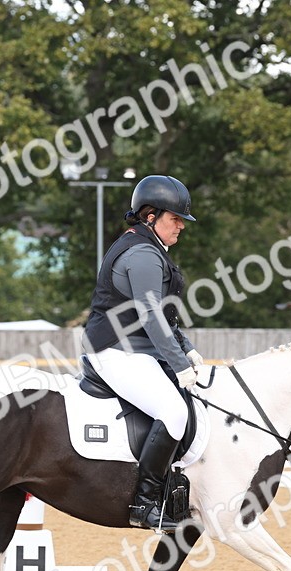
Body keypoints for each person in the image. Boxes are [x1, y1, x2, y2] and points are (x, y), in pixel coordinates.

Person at [81, 174, 204, 530]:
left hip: (136, 350)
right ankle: (145, 502)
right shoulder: (143, 255)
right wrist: (179, 364)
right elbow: (151, 315)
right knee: (174, 412)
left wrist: (187, 349)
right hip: (114, 351)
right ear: (151, 216)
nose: (181, 226)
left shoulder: (149, 248)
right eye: (175, 218)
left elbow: (163, 314)